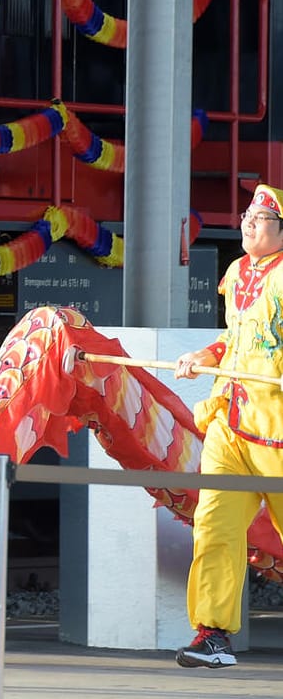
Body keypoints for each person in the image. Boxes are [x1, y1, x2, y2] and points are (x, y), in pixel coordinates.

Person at [171, 183, 283, 669]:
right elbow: (235, 338)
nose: (247, 224)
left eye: (259, 219)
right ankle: (212, 634)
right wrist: (204, 356)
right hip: (231, 423)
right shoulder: (236, 272)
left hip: (277, 428)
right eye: (246, 216)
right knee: (214, 527)